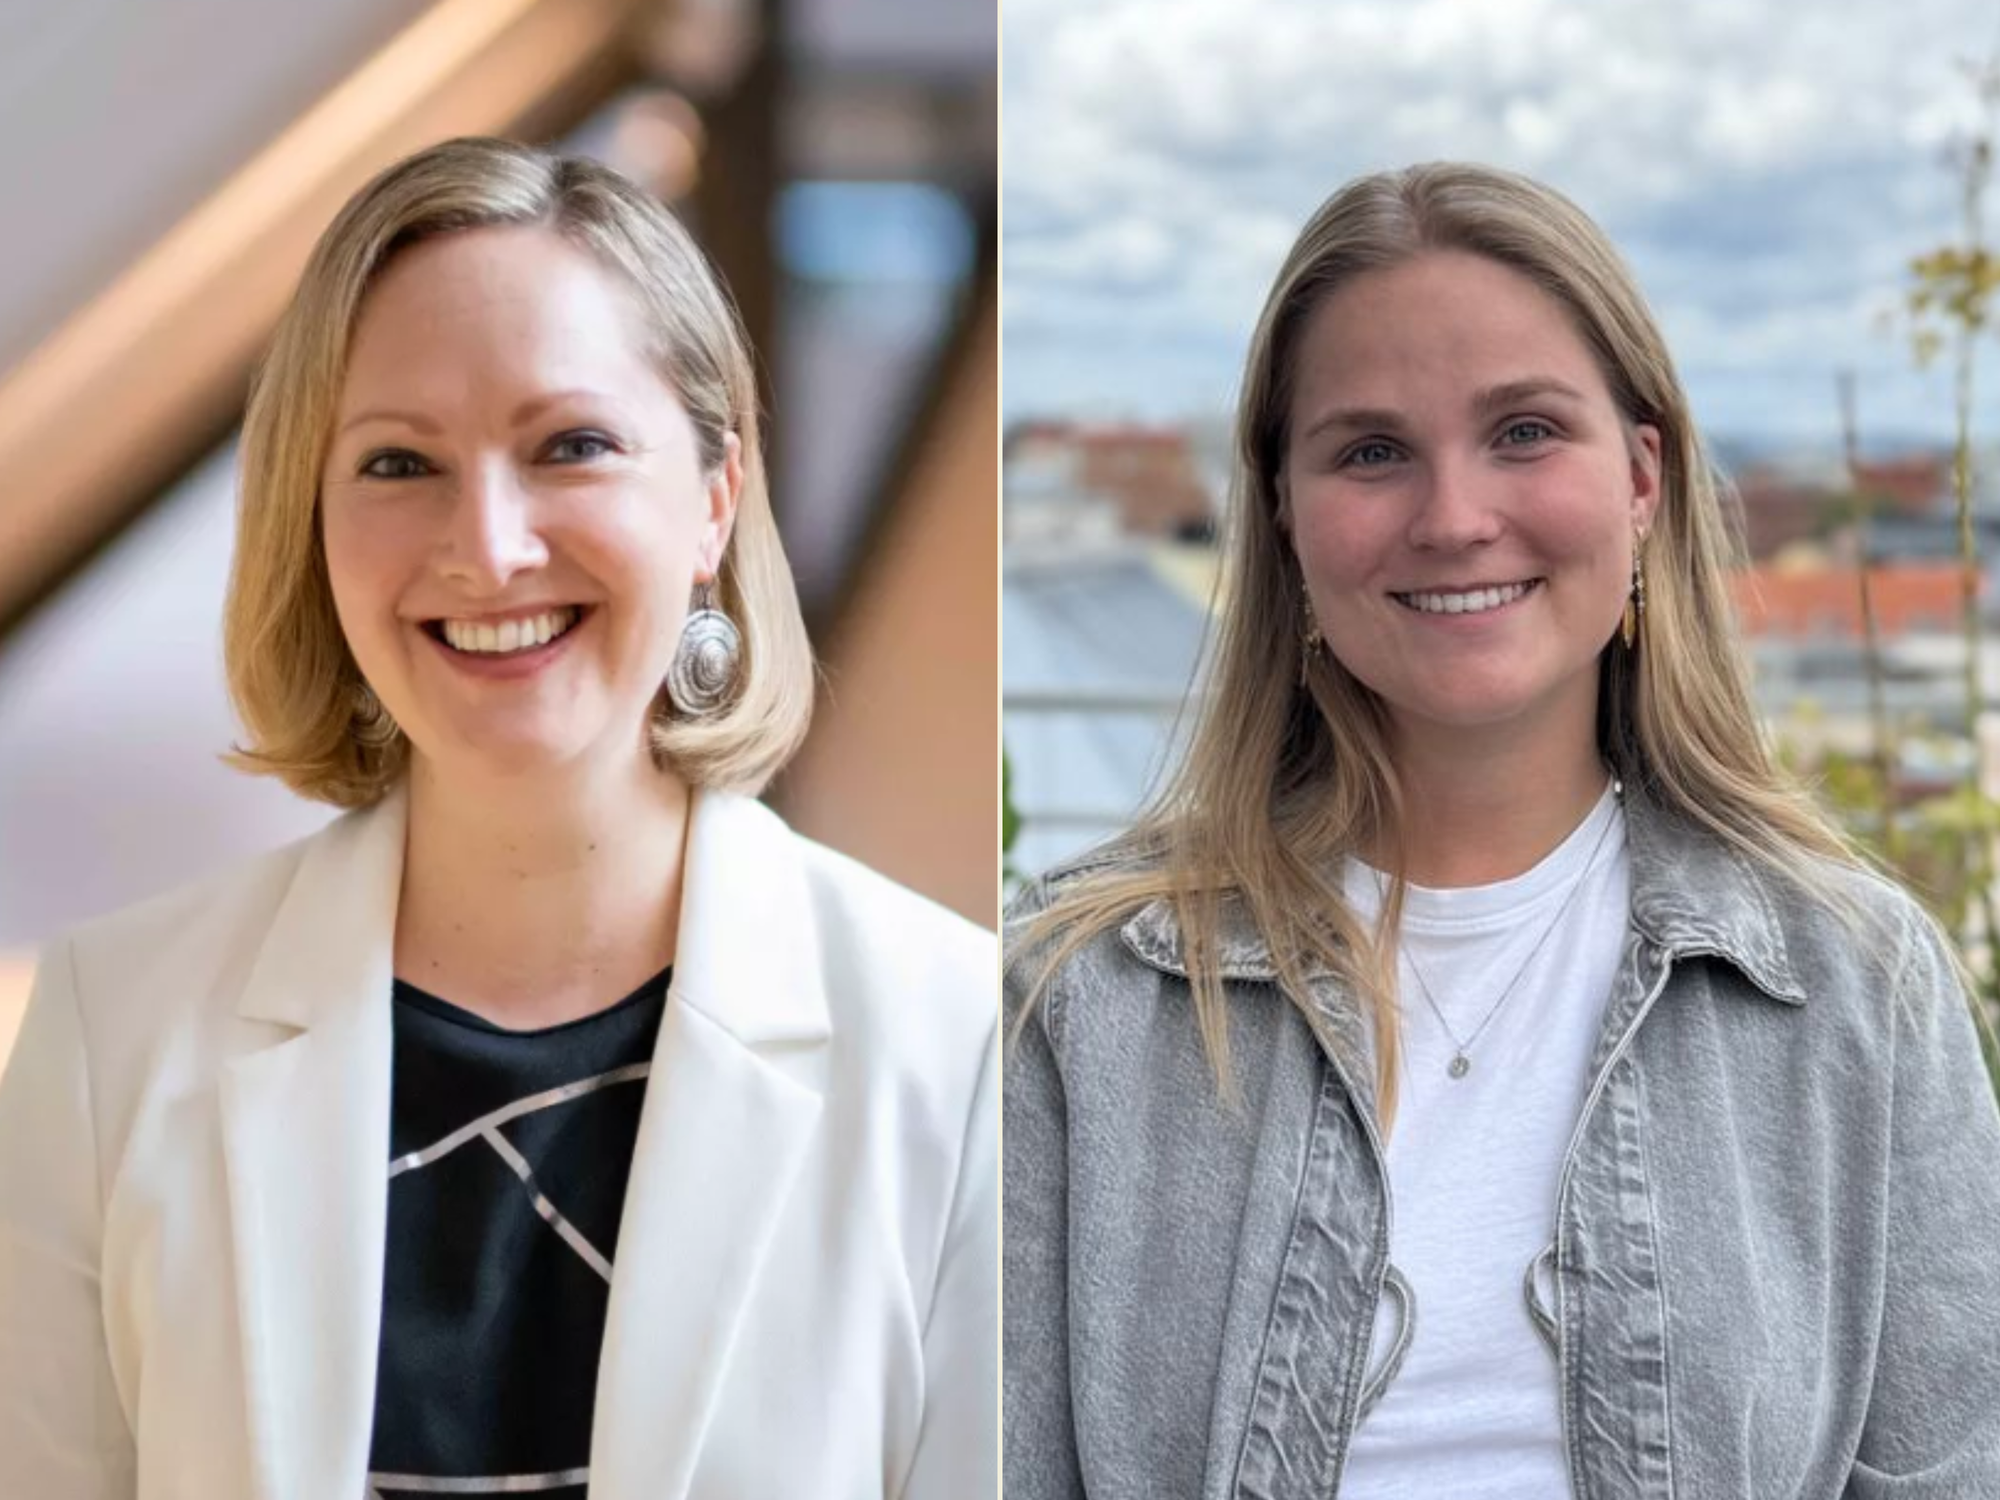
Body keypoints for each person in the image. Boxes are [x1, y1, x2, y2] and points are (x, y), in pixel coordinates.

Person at [0, 137, 996, 1499]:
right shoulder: (112, 1036)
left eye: (570, 445)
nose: (489, 545)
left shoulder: (965, 1046)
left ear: (717, 493)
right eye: (399, 464)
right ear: (312, 519)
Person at [1003, 161, 2000, 1498]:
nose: (1457, 517)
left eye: (1525, 431)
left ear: (1643, 481)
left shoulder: (1859, 991)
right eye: (1371, 452)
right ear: (1285, 516)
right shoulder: (1074, 1002)